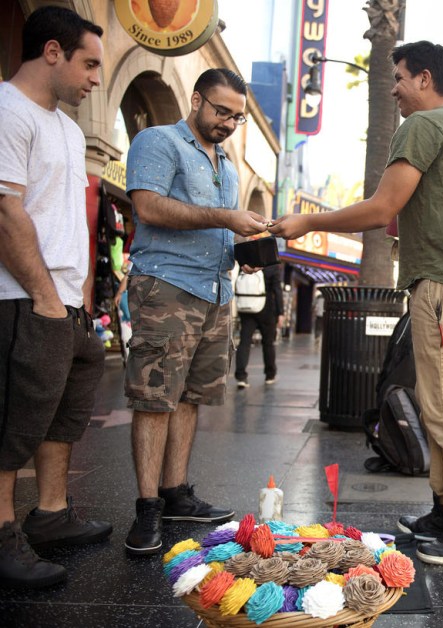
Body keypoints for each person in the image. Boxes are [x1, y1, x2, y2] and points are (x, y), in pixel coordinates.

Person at [270, 41, 443, 565]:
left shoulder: (422, 126)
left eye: (399, 78)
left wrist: (307, 222)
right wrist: (438, 217)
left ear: (425, 79)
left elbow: (382, 209)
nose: (394, 90)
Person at [123, 68, 269, 556]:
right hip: (167, 285)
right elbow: (149, 208)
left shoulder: (226, 163)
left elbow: (217, 230)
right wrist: (225, 218)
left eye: (237, 117)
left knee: (190, 397)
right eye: (221, 111)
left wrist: (241, 251)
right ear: (197, 99)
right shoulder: (159, 141)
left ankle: (175, 492)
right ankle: (146, 508)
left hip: (215, 293)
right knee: (154, 398)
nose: (228, 122)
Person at [0, 6, 111, 588]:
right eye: (89, 64)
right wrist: (45, 297)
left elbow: (74, 218)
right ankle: (2, 538)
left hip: (69, 302)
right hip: (21, 297)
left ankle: (50, 515)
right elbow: (4, 209)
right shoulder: (7, 110)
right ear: (52, 53)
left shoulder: (67, 129)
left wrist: (83, 295)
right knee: (12, 422)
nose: (95, 78)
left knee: (61, 417)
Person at [235, 263, 284, 387]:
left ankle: (241, 376)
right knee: (268, 343)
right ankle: (270, 375)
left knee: (244, 342)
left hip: (246, 308)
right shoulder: (272, 266)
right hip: (267, 309)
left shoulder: (247, 263)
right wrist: (280, 313)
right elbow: (277, 290)